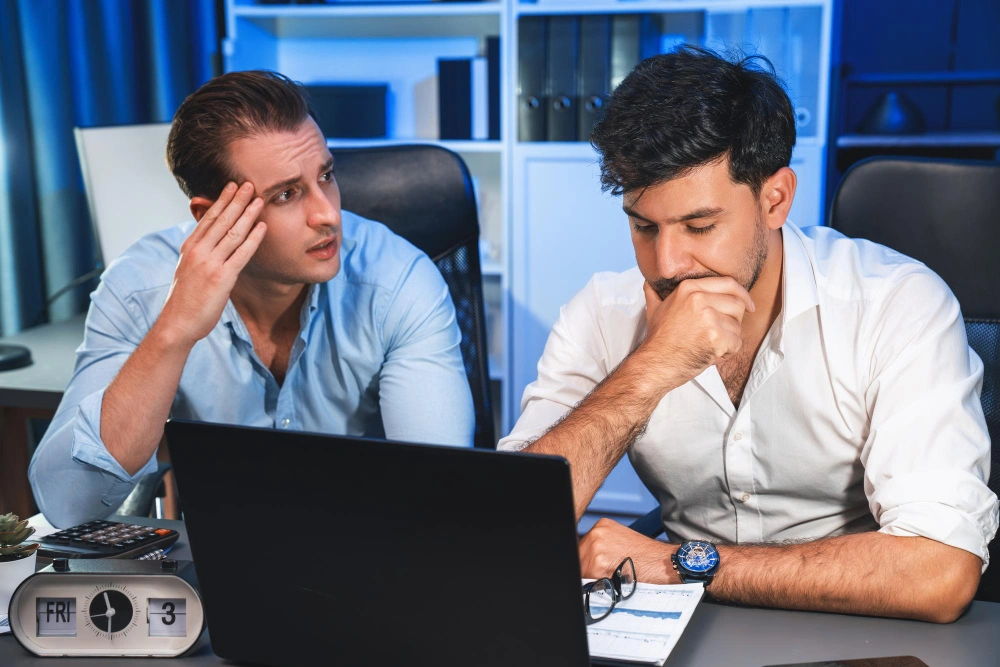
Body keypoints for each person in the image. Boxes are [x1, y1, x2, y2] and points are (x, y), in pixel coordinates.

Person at [498, 46, 997, 623]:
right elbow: (507, 529)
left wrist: (676, 564)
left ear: (774, 199)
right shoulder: (599, 313)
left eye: (700, 225)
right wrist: (649, 369)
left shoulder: (896, 303)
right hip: (680, 631)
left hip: (855, 623)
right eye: (643, 226)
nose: (667, 263)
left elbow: (939, 570)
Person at [31, 70, 475, 527]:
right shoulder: (138, 289)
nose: (328, 214)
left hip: (371, 544)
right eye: (286, 194)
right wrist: (174, 332)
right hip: (218, 559)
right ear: (210, 217)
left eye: (327, 175)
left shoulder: (398, 281)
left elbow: (438, 494)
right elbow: (68, 504)